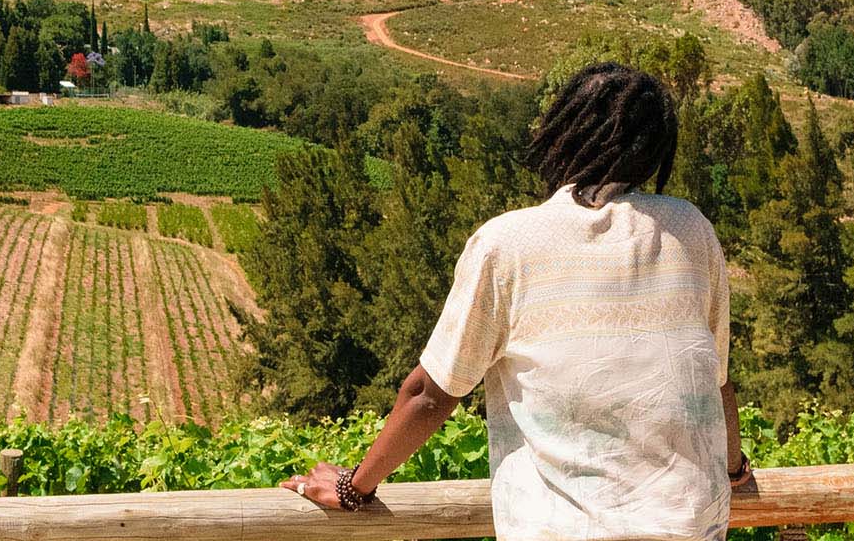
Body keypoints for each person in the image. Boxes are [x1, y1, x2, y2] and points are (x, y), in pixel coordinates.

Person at [282, 62, 750, 540]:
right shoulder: (689, 230)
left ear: (566, 132)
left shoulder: (508, 244)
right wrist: (733, 470)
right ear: (655, 151)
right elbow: (713, 381)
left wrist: (352, 488)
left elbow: (430, 393)